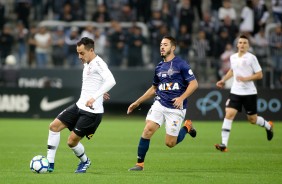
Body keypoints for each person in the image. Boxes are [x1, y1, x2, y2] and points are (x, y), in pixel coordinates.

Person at [127, 36, 198, 171]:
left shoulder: (181, 64)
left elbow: (194, 84)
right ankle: (139, 164)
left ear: (173, 47)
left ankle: (187, 127)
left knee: (170, 143)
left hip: (176, 107)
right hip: (160, 103)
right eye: (161, 45)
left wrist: (181, 98)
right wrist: (137, 102)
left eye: (165, 45)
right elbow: (154, 89)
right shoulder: (159, 67)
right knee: (148, 129)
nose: (162, 47)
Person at [46, 37, 116, 173]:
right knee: (53, 126)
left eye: (82, 53)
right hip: (79, 106)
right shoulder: (87, 63)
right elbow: (97, 81)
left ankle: (85, 161)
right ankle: (49, 164)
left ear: (91, 50)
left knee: (71, 142)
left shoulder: (99, 63)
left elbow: (111, 81)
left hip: (92, 112)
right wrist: (101, 91)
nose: (79, 56)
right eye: (78, 53)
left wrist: (95, 96)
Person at [214, 35, 274, 152]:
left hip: (249, 93)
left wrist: (246, 78)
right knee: (229, 114)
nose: (242, 45)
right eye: (240, 42)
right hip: (235, 91)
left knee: (252, 119)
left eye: (244, 43)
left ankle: (268, 125)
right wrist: (223, 80)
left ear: (248, 45)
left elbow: (260, 74)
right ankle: (224, 144)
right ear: (237, 45)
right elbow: (232, 71)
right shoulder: (233, 57)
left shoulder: (251, 58)